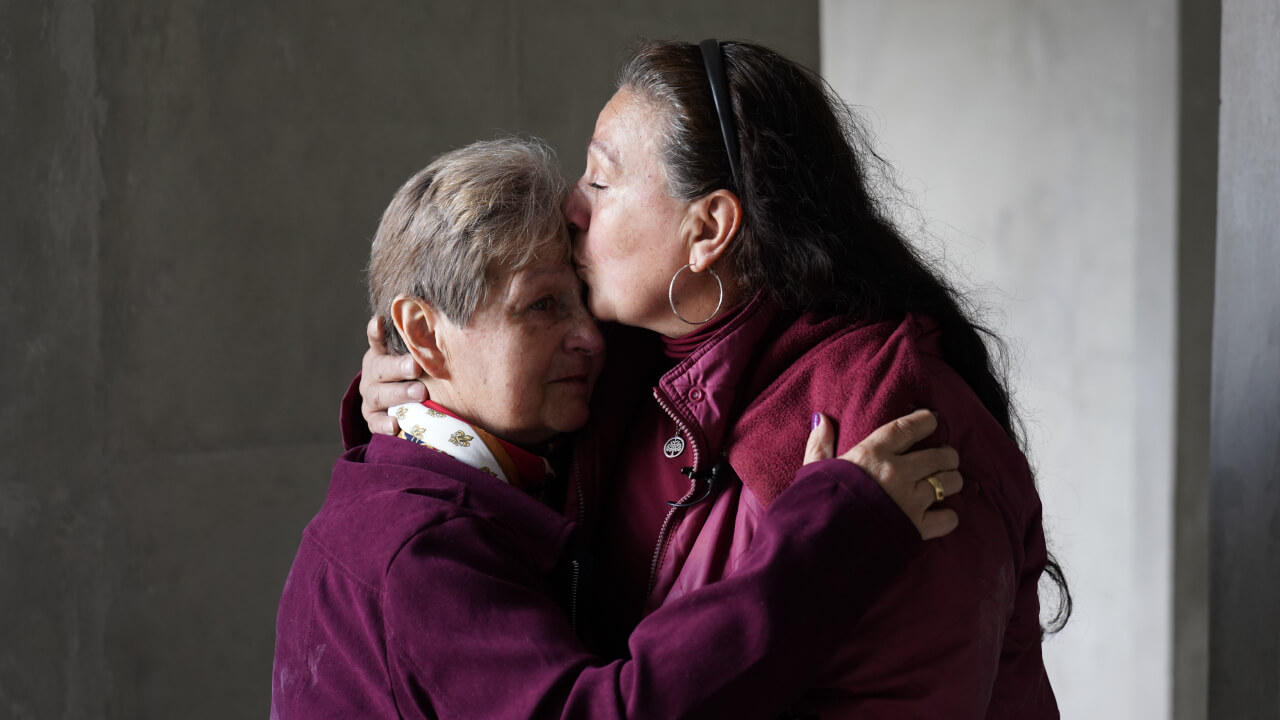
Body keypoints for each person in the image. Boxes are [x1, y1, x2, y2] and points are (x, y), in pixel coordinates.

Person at [356, 39, 1070, 718]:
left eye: (601, 180)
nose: (572, 205)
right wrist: (410, 393)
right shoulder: (614, 369)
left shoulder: (889, 415)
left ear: (709, 229)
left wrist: (822, 542)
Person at [272, 137, 964, 719]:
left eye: (584, 300)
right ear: (424, 333)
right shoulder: (417, 549)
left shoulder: (477, 477)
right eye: (540, 305)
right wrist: (827, 544)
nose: (588, 338)